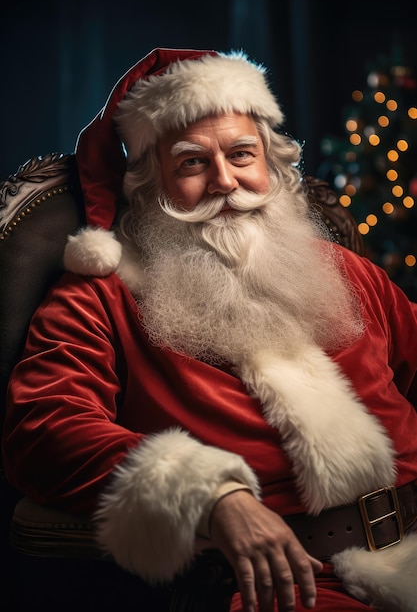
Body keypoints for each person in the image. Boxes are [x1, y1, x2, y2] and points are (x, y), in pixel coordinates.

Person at [3, 47, 417, 612]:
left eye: (242, 155)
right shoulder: (97, 300)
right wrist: (208, 494)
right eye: (193, 163)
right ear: (149, 186)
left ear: (269, 163)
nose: (227, 182)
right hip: (282, 584)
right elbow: (46, 431)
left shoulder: (348, 274)